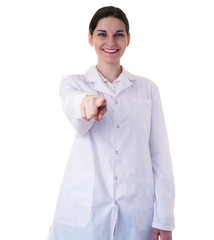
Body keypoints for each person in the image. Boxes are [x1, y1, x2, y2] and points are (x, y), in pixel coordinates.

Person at [47, 6, 175, 240]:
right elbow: (74, 110)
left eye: (119, 34)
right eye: (102, 34)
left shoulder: (147, 90)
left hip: (136, 208)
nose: (111, 41)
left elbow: (160, 157)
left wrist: (164, 218)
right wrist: (86, 103)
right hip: (85, 209)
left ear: (128, 39)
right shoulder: (74, 84)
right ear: (90, 38)